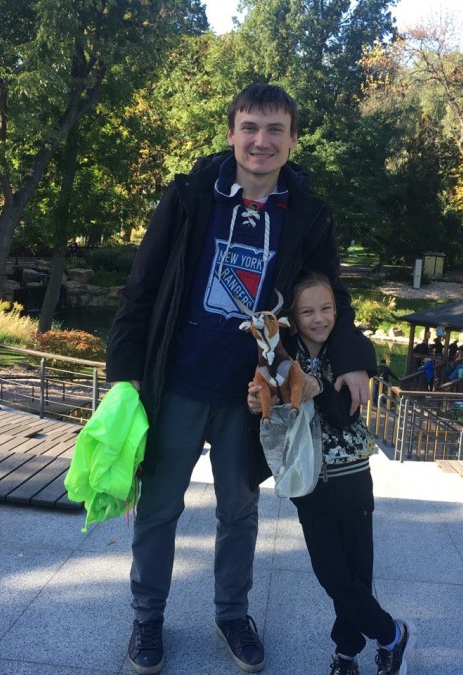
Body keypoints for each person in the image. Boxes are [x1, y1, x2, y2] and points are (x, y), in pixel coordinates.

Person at [105, 84, 374, 674]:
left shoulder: (307, 212)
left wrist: (354, 356)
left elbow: (332, 295)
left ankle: (232, 614)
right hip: (177, 384)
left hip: (250, 395)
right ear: (231, 134)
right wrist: (123, 380)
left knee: (239, 512)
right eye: (250, 127)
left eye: (275, 130)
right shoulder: (189, 196)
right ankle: (147, 618)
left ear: (292, 141)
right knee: (158, 509)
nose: (261, 140)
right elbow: (141, 289)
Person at [248, 273, 415, 675]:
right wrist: (260, 402)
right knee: (331, 573)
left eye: (326, 309)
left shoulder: (350, 353)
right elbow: (275, 403)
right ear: (292, 317)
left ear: (337, 311)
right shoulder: (280, 355)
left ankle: (346, 653)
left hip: (353, 475)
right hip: (310, 480)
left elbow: (345, 416)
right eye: (307, 311)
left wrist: (318, 387)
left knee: (357, 572)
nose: (318, 318)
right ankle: (392, 634)